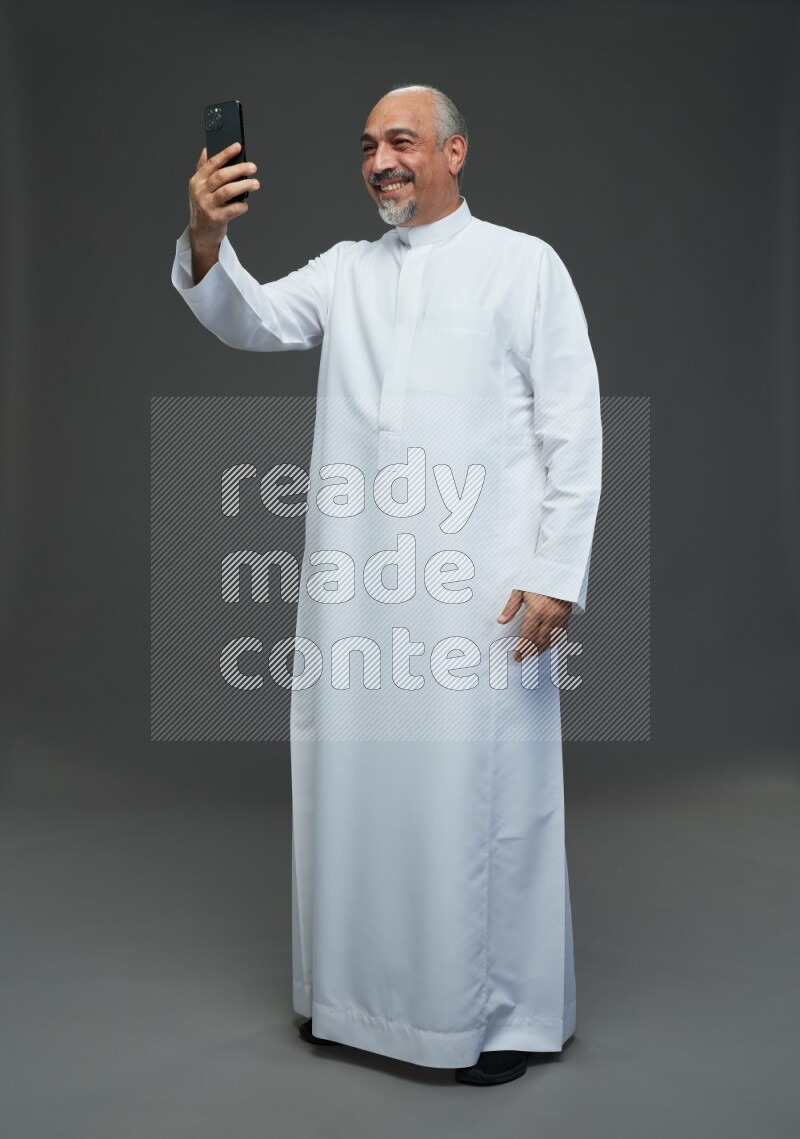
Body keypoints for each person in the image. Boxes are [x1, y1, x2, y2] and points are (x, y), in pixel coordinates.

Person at [171, 84, 603, 1086]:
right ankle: (352, 1001)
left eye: (401, 141)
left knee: (480, 802)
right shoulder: (348, 271)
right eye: (367, 146)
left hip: (481, 597)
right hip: (358, 592)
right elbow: (253, 320)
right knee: (353, 788)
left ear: (455, 151)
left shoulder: (522, 264)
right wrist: (205, 236)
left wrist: (555, 572)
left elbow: (572, 426)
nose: (380, 162)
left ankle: (497, 1018)